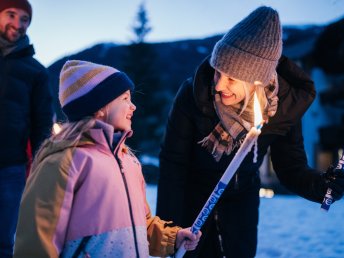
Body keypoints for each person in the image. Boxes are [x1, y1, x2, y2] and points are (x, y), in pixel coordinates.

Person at [156, 6, 344, 258]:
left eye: (232, 78)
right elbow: (173, 165)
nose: (220, 84)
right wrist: (168, 233)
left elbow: (290, 168)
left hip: (241, 205)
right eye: (218, 72)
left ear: (257, 79)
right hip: (194, 201)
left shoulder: (282, 106)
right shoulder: (194, 96)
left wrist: (323, 188)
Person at [13, 60, 201, 257]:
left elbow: (140, 225)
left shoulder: (129, 161)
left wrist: (172, 238)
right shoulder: (64, 162)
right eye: (125, 98)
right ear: (100, 107)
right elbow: (37, 240)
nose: (133, 106)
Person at [0, 0, 53, 257]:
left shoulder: (36, 72)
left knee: (3, 240)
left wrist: (38, 167)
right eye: (11, 14)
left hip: (11, 169)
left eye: (24, 19)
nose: (18, 24)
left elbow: (42, 125)